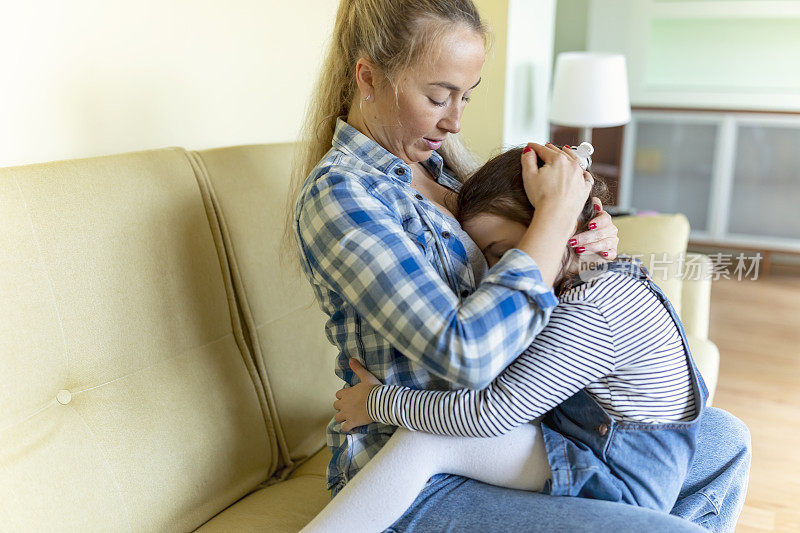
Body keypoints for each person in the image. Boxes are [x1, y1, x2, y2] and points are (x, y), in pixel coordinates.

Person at [287, 1, 751, 531]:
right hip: (421, 473)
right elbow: (463, 353)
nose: (455, 119)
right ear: (368, 78)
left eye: (466, 95)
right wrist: (553, 221)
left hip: (516, 436)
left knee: (725, 440)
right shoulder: (343, 196)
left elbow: (536, 284)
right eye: (438, 96)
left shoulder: (450, 177)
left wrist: (579, 239)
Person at [301, 147, 713, 532]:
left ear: (559, 221)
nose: (500, 278)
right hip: (601, 455)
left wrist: (376, 402)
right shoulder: (598, 283)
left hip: (612, 481)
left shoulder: (592, 309)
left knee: (429, 435)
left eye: (502, 254)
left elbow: (489, 414)